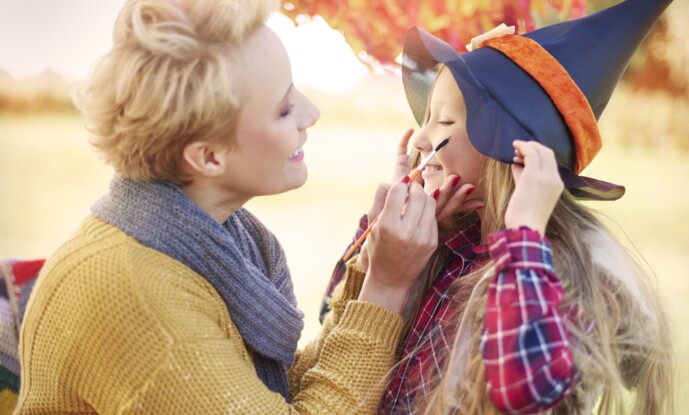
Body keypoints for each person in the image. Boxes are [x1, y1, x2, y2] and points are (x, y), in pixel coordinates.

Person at [14, 0, 440, 414]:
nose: (311, 113)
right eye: (284, 108)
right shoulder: (142, 300)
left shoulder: (211, 240)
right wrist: (386, 288)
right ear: (209, 157)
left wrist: (370, 268)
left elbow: (266, 394)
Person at [324, 0, 674, 413]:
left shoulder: (564, 274)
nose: (420, 140)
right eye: (427, 118)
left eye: (445, 123)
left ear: (515, 152)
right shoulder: (448, 242)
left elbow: (524, 393)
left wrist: (524, 235)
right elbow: (335, 335)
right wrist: (380, 239)